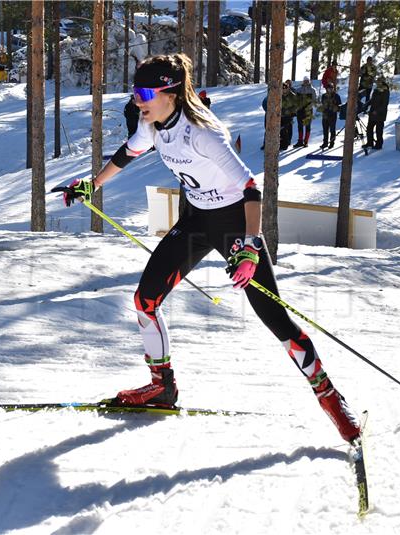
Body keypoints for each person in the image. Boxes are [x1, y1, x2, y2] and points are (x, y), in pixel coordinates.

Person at [54, 53, 362, 445]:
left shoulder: (202, 132)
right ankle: (162, 388)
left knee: (276, 319)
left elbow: (251, 188)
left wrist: (249, 248)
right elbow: (126, 154)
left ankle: (332, 401)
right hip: (197, 221)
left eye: (145, 92)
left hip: (235, 223)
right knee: (145, 300)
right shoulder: (153, 123)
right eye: (135, 91)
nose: (137, 99)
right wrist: (91, 184)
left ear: (170, 92)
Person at [364, 76, 389, 150]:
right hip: (372, 112)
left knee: (379, 130)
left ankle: (379, 144)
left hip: (380, 114)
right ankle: (370, 142)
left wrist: (377, 111)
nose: (377, 83)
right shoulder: (376, 90)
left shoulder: (385, 91)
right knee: (369, 128)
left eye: (379, 81)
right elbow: (372, 100)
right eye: (377, 81)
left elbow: (384, 104)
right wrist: (366, 104)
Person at [295, 77, 316, 148]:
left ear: (309, 82)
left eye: (307, 81)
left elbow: (314, 100)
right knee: (300, 126)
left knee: (307, 126)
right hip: (300, 110)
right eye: (305, 81)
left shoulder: (312, 90)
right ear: (303, 82)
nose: (306, 82)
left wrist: (309, 106)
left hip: (308, 111)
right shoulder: (298, 90)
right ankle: (300, 141)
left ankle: (306, 141)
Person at [319, 84, 341, 149]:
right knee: (325, 130)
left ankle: (332, 143)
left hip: (333, 115)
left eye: (331, 88)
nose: (330, 89)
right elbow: (323, 104)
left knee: (332, 130)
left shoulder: (336, 96)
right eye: (329, 88)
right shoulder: (324, 96)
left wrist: (335, 108)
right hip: (325, 115)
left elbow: (339, 106)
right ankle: (325, 143)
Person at [281, 80, 299, 150]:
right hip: (281, 115)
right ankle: (283, 143)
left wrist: (292, 112)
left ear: (288, 88)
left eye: (285, 88)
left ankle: (287, 142)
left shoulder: (292, 95)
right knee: (282, 129)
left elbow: (296, 105)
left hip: (289, 115)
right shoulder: (280, 95)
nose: (284, 90)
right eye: (283, 89)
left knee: (288, 129)